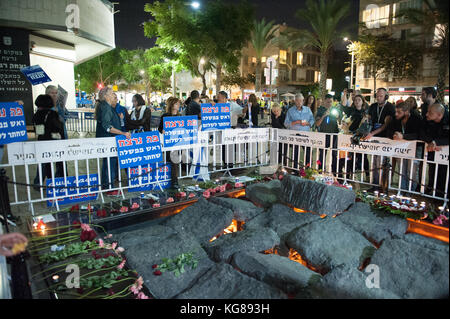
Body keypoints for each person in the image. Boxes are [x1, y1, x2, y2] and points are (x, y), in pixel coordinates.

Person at [95, 87, 131, 194]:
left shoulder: (107, 107)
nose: (113, 95)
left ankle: (107, 186)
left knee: (108, 163)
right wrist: (123, 133)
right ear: (106, 96)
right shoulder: (105, 107)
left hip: (108, 140)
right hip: (108, 140)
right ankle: (108, 188)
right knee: (109, 164)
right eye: (111, 93)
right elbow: (107, 126)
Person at [387, 102, 423, 192]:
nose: (396, 114)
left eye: (399, 112)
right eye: (396, 111)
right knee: (401, 169)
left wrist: (403, 136)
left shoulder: (417, 119)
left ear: (406, 112)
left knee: (412, 171)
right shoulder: (396, 120)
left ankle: (411, 191)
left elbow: (420, 135)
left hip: (415, 148)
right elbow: (389, 131)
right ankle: (402, 190)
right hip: (401, 148)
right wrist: (394, 134)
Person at [364, 88, 395, 190]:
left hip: (384, 138)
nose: (378, 98)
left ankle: (383, 186)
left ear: (386, 96)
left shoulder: (390, 107)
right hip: (374, 138)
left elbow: (386, 125)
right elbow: (368, 119)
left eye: (381, 96)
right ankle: (374, 185)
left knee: (382, 163)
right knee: (374, 162)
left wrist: (372, 133)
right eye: (377, 95)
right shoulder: (373, 106)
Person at [32, 95, 65, 189]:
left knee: (42, 163)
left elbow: (38, 130)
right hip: (52, 141)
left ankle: (38, 183)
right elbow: (57, 127)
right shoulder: (52, 113)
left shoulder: (37, 114)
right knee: (53, 162)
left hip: (41, 140)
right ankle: (52, 182)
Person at [420, 103, 449, 199]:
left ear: (439, 115)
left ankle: (443, 196)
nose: (427, 114)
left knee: (444, 175)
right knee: (432, 172)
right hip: (432, 152)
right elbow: (421, 133)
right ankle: (432, 193)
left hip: (445, 156)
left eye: (430, 113)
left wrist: (437, 142)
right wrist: (431, 141)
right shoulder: (426, 119)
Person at [283, 93, 315, 169]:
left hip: (306, 134)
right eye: (297, 101)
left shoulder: (308, 110)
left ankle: (308, 168)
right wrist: (295, 122)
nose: (299, 102)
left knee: (308, 152)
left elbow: (312, 120)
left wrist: (308, 123)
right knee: (295, 152)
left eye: (300, 101)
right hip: (295, 134)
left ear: (303, 101)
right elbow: (286, 123)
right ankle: (295, 168)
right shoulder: (290, 111)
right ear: (295, 101)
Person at [158, 97, 182, 188]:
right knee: (172, 161)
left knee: (175, 161)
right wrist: (163, 131)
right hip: (168, 142)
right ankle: (173, 181)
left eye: (179, 104)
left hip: (178, 142)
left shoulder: (180, 116)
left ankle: (173, 180)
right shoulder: (165, 116)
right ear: (171, 105)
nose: (178, 105)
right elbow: (160, 129)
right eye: (176, 104)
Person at [315, 94, 341, 174]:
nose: (329, 104)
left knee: (334, 154)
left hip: (334, 134)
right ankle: (320, 170)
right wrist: (324, 115)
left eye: (331, 102)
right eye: (328, 102)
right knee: (322, 153)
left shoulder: (335, 109)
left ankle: (334, 172)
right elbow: (317, 124)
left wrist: (338, 117)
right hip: (323, 135)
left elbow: (341, 122)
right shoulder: (320, 110)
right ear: (324, 101)